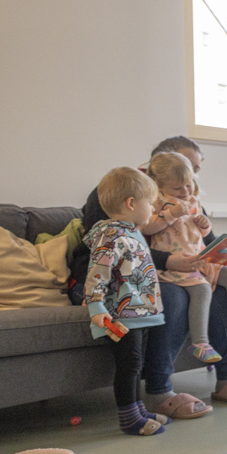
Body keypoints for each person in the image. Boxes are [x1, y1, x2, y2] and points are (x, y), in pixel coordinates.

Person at [72, 136, 227, 419]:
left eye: (194, 171)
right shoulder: (120, 189)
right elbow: (114, 243)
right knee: (170, 295)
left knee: (221, 290)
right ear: (158, 166)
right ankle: (159, 390)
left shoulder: (187, 196)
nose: (191, 180)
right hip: (127, 272)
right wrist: (170, 260)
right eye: (184, 169)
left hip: (180, 268)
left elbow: (204, 241)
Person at [142, 151, 227, 364]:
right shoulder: (157, 202)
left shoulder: (194, 202)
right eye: (178, 188)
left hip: (201, 260)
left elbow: (205, 238)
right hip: (177, 265)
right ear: (158, 184)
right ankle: (200, 343)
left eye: (189, 185)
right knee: (202, 289)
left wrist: (205, 227)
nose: (185, 191)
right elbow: (147, 227)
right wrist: (171, 214)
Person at [82, 167, 167, 436]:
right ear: (131, 203)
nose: (153, 209)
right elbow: (97, 274)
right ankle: (129, 419)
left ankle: (138, 410)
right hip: (121, 315)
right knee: (128, 365)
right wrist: (96, 308)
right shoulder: (111, 236)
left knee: (137, 364)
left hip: (139, 312)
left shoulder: (131, 232)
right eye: (150, 203)